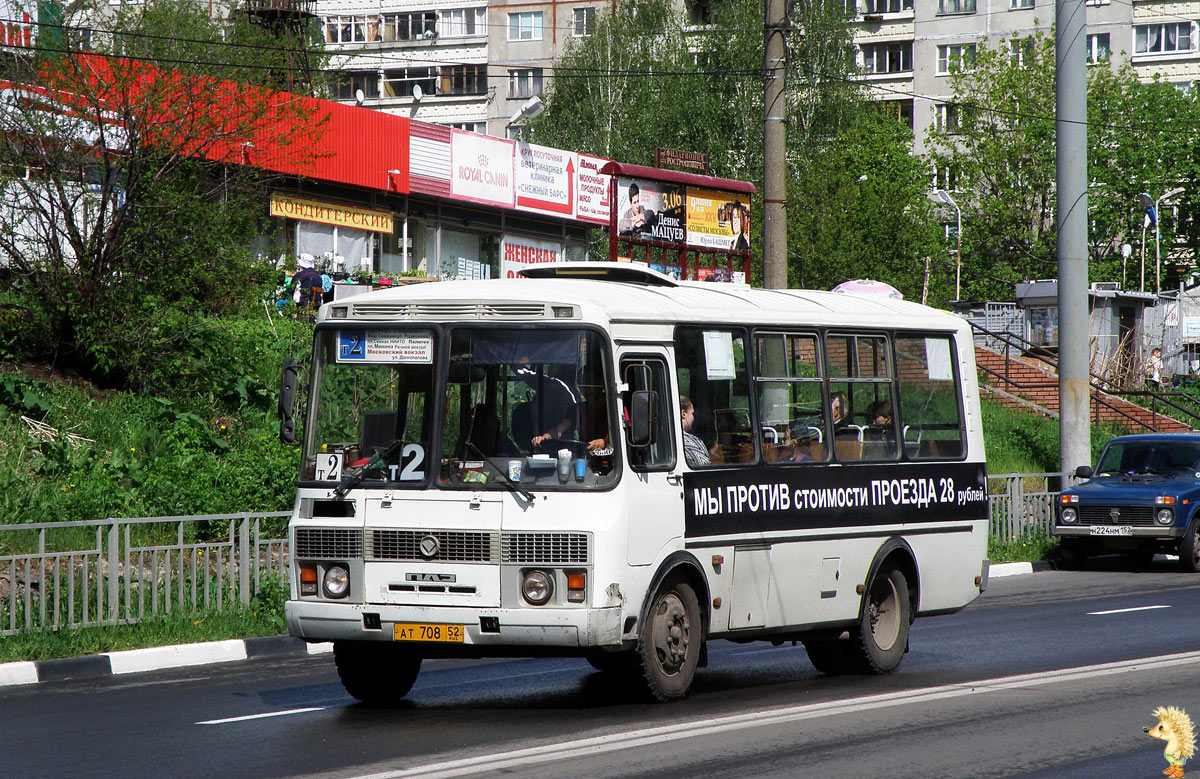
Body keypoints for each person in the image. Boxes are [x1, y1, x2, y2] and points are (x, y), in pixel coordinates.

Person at [680, 396, 710, 467]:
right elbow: (704, 467)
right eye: (692, 413)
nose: (693, 418)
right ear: (683, 413)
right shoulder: (692, 442)